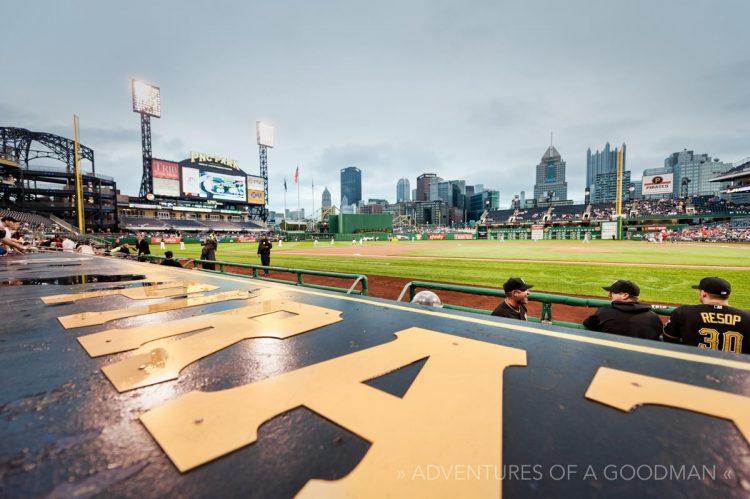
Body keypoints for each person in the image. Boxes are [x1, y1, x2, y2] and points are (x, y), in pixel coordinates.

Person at [663, 277, 750, 354]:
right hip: (735, 369)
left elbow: (669, 338)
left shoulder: (684, 312)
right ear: (728, 295)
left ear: (703, 294)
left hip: (695, 367)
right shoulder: (747, 317)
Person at [582, 280, 663, 340]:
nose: (609, 295)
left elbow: (587, 324)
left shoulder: (604, 312)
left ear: (625, 295)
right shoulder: (654, 317)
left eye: (613, 292)